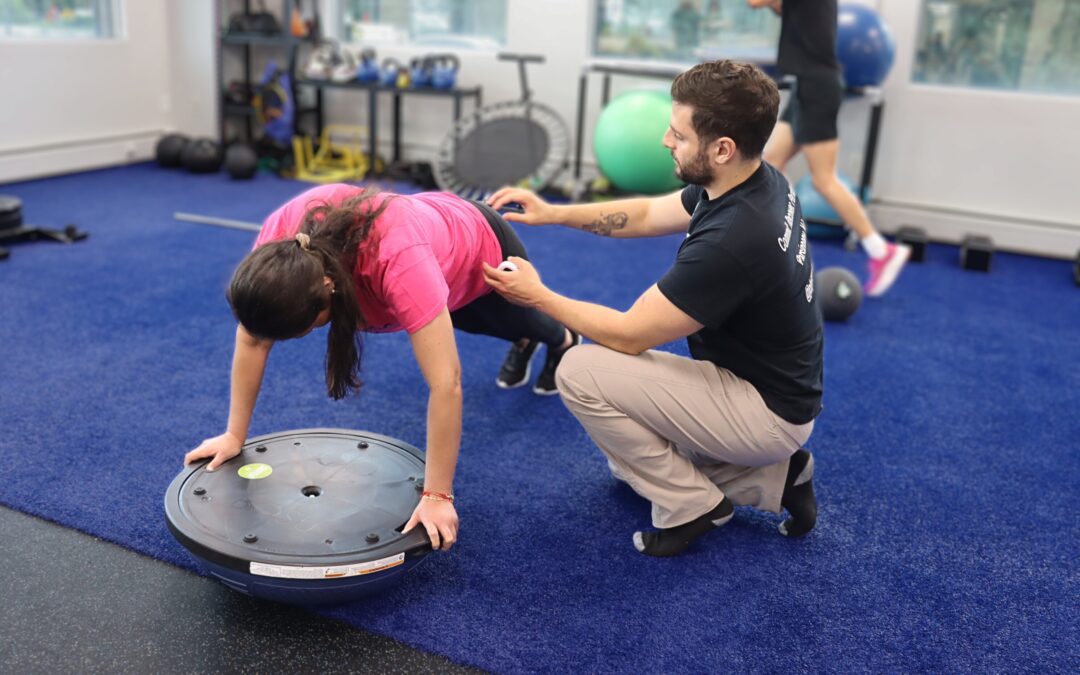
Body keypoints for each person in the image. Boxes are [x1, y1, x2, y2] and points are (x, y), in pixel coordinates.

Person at [482, 59, 821, 558]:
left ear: (722, 148)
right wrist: (555, 213)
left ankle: (693, 506)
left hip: (764, 411)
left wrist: (539, 296)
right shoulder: (755, 179)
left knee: (580, 370)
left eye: (679, 134)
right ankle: (775, 478)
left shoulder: (734, 239)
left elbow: (628, 334)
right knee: (629, 459)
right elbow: (643, 213)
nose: (666, 140)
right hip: (768, 390)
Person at [183, 185, 579, 552]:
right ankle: (522, 340)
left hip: (480, 248)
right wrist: (234, 434)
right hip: (433, 256)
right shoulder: (278, 248)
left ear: (326, 289)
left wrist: (438, 496)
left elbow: (446, 384)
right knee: (470, 322)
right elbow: (253, 338)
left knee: (523, 322)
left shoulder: (398, 263)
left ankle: (560, 342)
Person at [747, 0, 909, 296]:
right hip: (806, 86)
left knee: (823, 179)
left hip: (816, 87)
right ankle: (768, 246)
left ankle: (880, 249)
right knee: (771, 162)